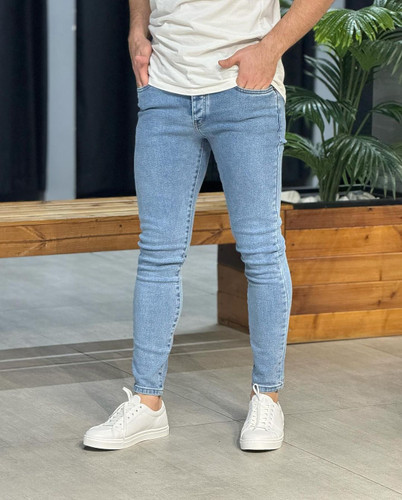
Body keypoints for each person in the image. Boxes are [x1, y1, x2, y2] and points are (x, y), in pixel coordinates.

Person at [83, 0, 334, 451]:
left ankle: (267, 397)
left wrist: (269, 49)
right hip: (165, 91)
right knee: (157, 252)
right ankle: (147, 403)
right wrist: (138, 31)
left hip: (244, 91)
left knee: (260, 248)